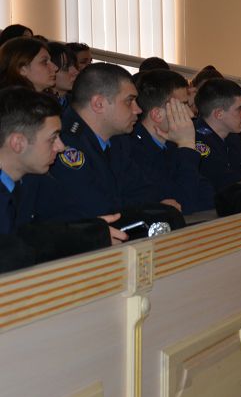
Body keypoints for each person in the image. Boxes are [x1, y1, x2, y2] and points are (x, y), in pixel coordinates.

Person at [29, 63, 179, 222]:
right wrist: (151, 208)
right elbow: (97, 209)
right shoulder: (63, 142)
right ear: (98, 104)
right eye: (129, 101)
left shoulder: (118, 140)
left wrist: (149, 206)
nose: (138, 110)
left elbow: (148, 191)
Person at [0, 88, 126, 271]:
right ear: (18, 143)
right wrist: (77, 236)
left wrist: (82, 230)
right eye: (53, 139)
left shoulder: (21, 184)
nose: (61, 147)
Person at [118, 70, 215, 214]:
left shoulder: (172, 143)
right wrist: (187, 145)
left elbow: (208, 197)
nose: (191, 114)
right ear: (157, 114)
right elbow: (185, 205)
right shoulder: (131, 150)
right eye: (183, 105)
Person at [47, 41, 80, 108]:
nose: (76, 72)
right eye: (65, 68)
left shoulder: (79, 104)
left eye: (75, 66)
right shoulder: (39, 105)